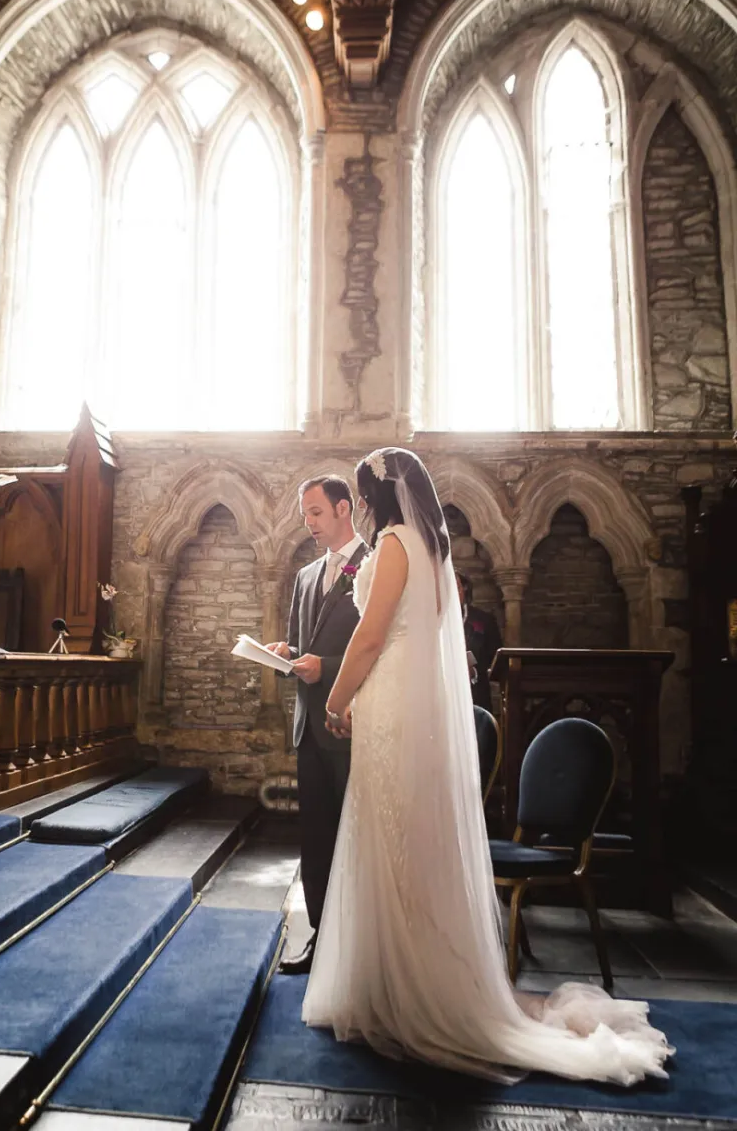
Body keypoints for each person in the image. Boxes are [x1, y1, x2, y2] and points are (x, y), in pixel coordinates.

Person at [301, 446, 671, 1085]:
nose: (360, 507)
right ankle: (395, 978)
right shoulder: (435, 554)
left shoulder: (392, 544)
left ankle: (401, 991)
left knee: (391, 841)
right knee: (405, 841)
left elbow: (371, 635)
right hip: (406, 701)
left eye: (362, 496)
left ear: (380, 497)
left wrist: (338, 698)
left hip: (389, 702)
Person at [266, 475, 367, 975]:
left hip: (353, 726)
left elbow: (379, 649)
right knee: (316, 836)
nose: (309, 523)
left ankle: (357, 943)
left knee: (356, 837)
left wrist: (323, 667)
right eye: (305, 514)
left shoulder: (375, 565)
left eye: (316, 512)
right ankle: (319, 935)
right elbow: (296, 639)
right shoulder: (306, 576)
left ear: (344, 508)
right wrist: (283, 653)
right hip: (309, 723)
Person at [456, 570, 503, 713]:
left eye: (456, 588)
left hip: (476, 700)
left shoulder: (484, 620)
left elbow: (496, 663)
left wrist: (474, 671)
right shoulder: (430, 622)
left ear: (464, 590)